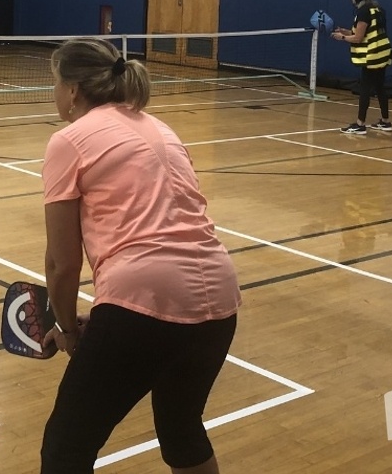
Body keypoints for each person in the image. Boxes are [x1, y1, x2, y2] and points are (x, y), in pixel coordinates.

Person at [39, 38, 241, 474]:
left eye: (55, 82)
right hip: (220, 299)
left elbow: (62, 263)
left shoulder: (68, 140)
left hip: (143, 299)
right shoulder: (160, 128)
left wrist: (68, 328)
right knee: (182, 430)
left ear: (73, 90)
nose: (54, 92)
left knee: (65, 450)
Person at [331, 0, 392, 135]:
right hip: (383, 53)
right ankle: (385, 122)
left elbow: (358, 38)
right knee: (380, 87)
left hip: (372, 55)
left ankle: (360, 124)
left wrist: (342, 38)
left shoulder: (363, 12)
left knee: (365, 88)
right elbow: (367, 32)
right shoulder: (377, 9)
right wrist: (345, 31)